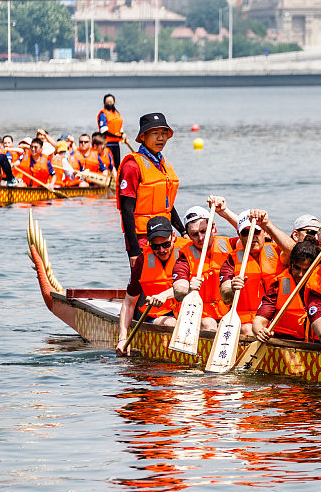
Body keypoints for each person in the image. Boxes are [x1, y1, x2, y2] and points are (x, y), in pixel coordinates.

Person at [115, 216, 192, 355]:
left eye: (166, 245)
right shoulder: (142, 260)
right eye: (155, 246)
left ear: (173, 236)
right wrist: (122, 338)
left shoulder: (188, 251)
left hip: (190, 312)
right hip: (158, 316)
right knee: (170, 323)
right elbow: (129, 302)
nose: (161, 250)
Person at [118, 112, 182, 267]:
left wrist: (183, 230)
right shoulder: (132, 166)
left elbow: (167, 204)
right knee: (143, 284)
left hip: (165, 235)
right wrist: (134, 249)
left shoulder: (162, 164)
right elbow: (126, 209)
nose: (160, 138)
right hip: (142, 237)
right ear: (143, 137)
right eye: (155, 134)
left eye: (163, 133)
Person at [218, 211, 284, 339]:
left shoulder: (278, 252)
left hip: (275, 318)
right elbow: (225, 296)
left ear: (264, 232)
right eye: (246, 233)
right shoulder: (231, 260)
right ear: (239, 235)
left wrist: (268, 224)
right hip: (246, 322)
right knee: (248, 329)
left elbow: (294, 250)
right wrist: (232, 287)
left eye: (256, 231)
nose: (252, 236)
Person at [171, 203, 234, 332]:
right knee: (209, 323)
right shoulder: (184, 257)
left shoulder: (230, 245)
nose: (200, 238)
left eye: (203, 231)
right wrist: (188, 288)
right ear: (188, 235)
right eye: (194, 234)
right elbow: (178, 290)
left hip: (227, 311)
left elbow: (250, 232)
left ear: (213, 227)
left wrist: (224, 211)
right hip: (199, 315)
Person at [253, 239, 321, 343]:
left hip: (318, 344)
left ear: (315, 268)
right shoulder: (279, 285)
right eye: (297, 268)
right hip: (286, 343)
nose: (300, 275)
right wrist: (260, 331)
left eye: (306, 270)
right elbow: (259, 321)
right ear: (291, 264)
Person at [97, 93, 125, 167]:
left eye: (111, 102)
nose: (109, 103)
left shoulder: (116, 114)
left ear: (114, 102)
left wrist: (122, 135)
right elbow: (104, 131)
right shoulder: (103, 114)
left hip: (116, 144)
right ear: (104, 103)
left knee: (117, 164)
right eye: (107, 102)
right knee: (109, 164)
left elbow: (120, 128)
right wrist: (118, 136)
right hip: (107, 144)